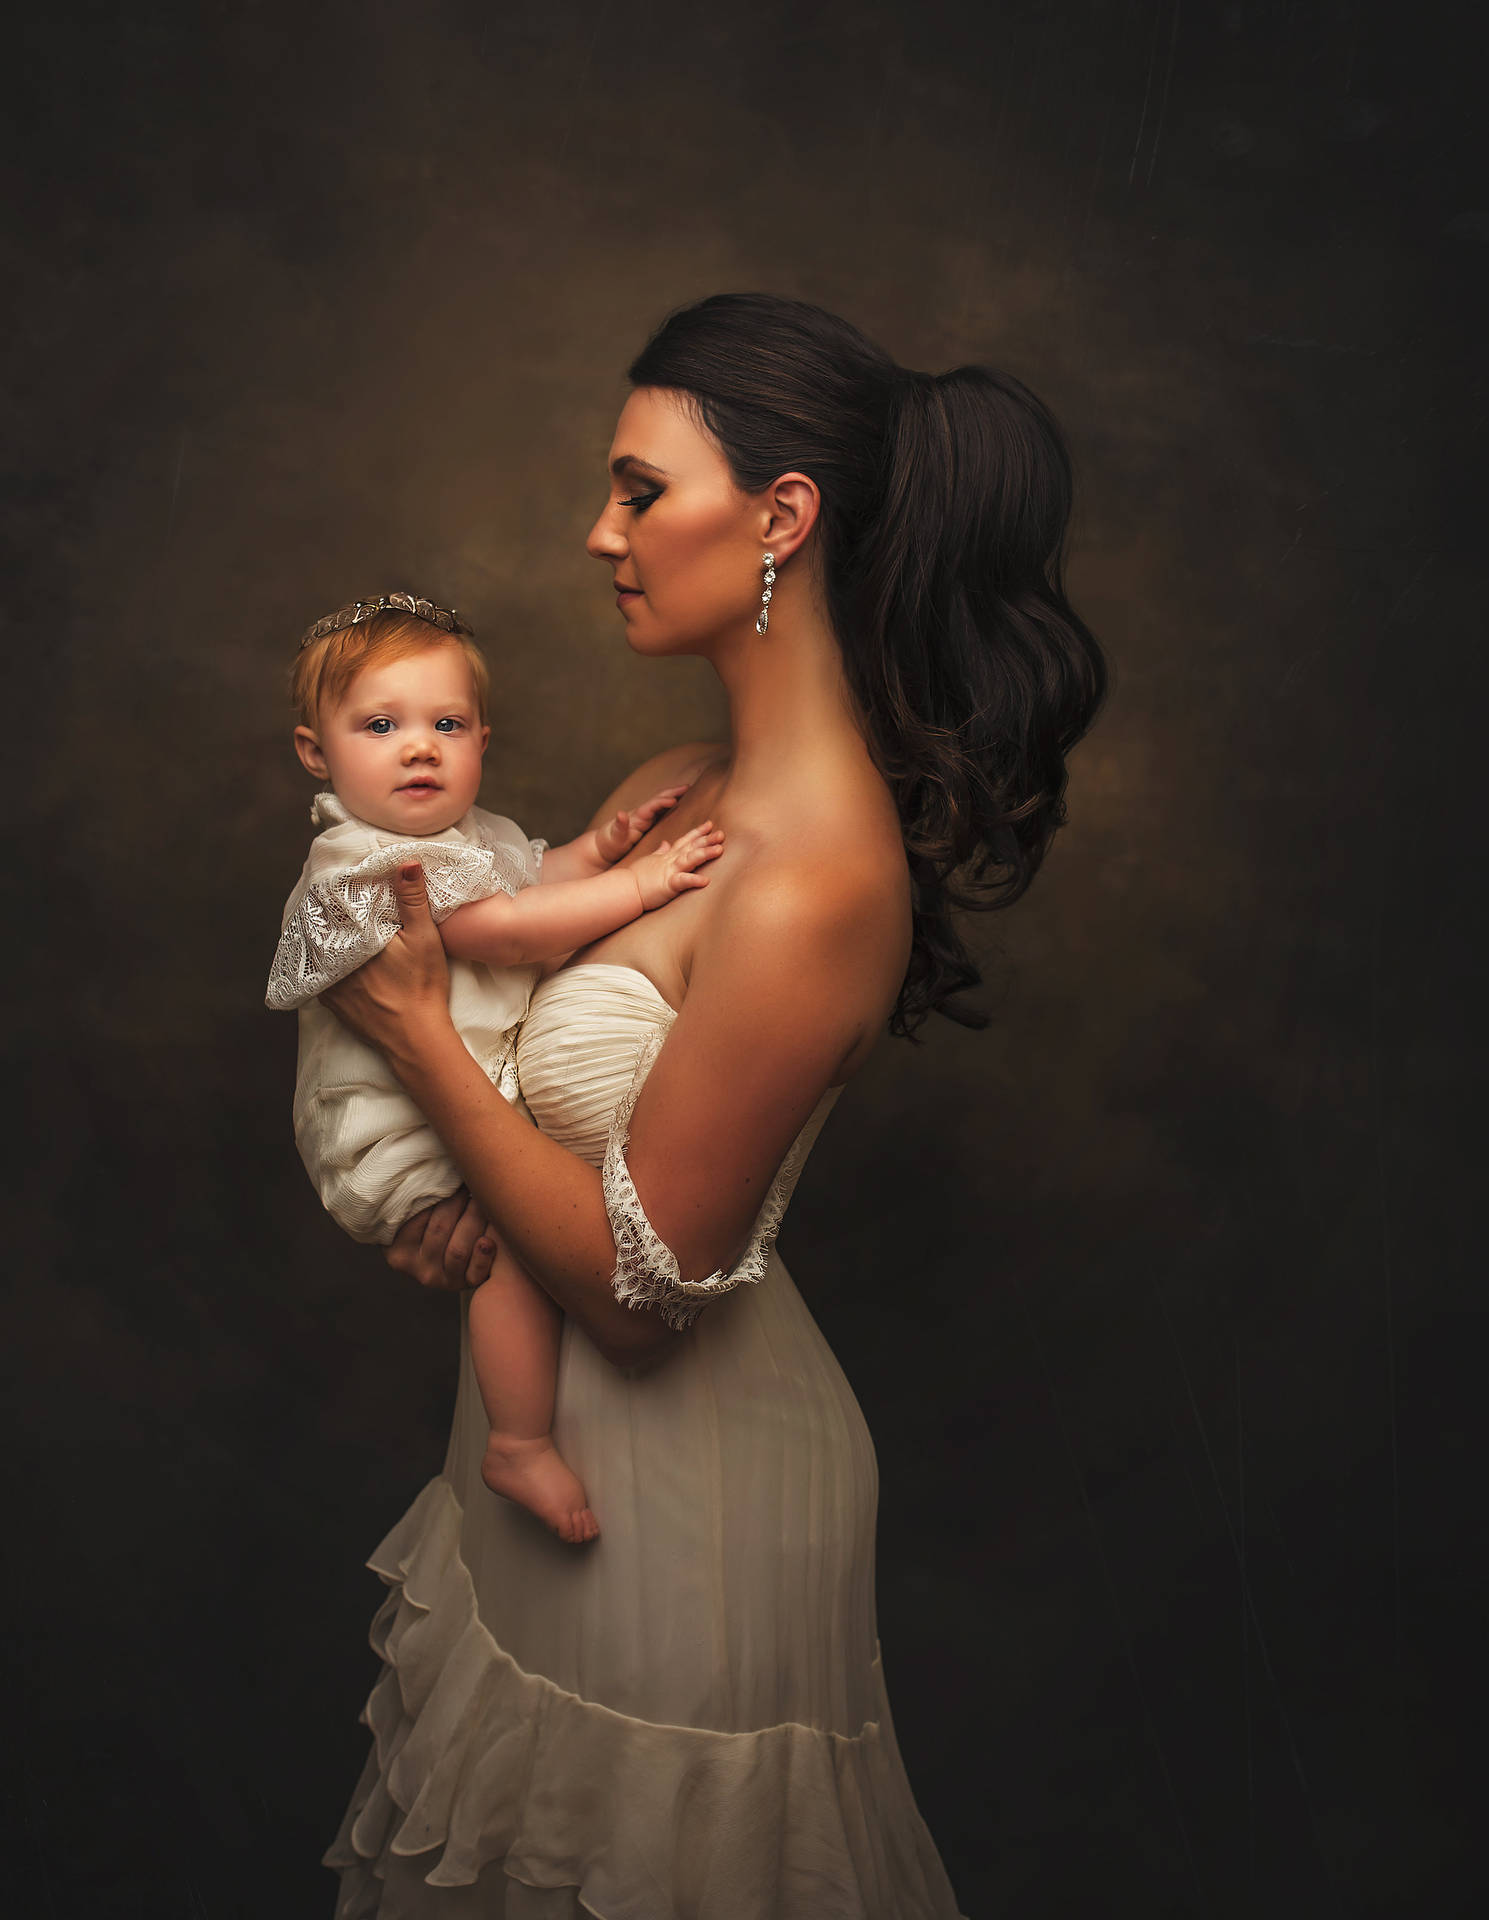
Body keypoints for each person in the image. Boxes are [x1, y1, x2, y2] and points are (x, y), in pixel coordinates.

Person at [319, 293, 1106, 1918]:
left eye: (637, 489)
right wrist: (451, 1204)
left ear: (780, 517)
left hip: (689, 1495)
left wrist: (411, 1042)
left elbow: (630, 1295)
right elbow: (529, 1090)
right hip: (540, 1455)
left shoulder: (813, 879)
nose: (595, 533)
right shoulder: (673, 789)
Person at [269, 592, 724, 1544]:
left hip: (451, 1094)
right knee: (513, 1254)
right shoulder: (366, 864)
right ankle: (517, 1441)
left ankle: (521, 1433)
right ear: (317, 753)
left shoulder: (458, 841)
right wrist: (638, 881)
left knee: (517, 1238)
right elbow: (504, 929)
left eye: (446, 724)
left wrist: (599, 847)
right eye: (381, 726)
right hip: (393, 1126)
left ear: (483, 736)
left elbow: (525, 878)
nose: (420, 748)